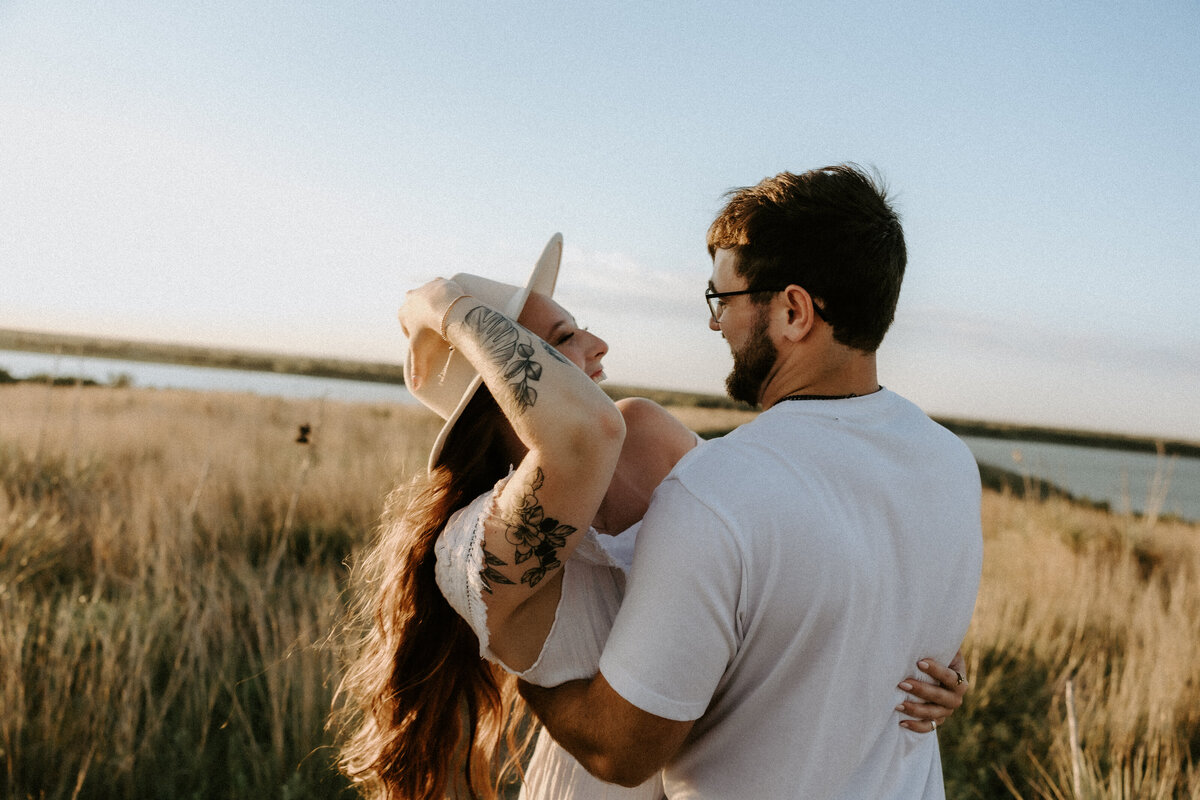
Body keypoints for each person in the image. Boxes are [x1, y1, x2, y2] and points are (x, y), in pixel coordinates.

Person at [334, 232, 970, 800]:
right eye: (562, 340)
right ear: (497, 379)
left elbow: (783, 542)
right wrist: (442, 305)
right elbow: (580, 435)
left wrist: (921, 648)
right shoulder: (473, 546)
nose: (597, 343)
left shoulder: (641, 434)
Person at [517, 167, 984, 799]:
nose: (717, 326)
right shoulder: (953, 465)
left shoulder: (716, 494)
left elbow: (619, 749)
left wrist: (526, 673)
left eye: (724, 300)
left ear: (793, 311)